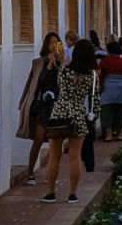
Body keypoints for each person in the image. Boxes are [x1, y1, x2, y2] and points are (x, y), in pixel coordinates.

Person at [43, 39, 100, 203]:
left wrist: (61, 62)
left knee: (54, 155)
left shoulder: (64, 70)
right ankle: (72, 193)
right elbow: (95, 100)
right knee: (75, 156)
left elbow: (60, 86)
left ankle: (50, 192)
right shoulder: (93, 75)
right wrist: (93, 118)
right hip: (78, 115)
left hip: (59, 113)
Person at [16, 32, 61, 185]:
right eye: (51, 43)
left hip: (56, 107)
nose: (54, 46)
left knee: (55, 143)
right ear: (46, 45)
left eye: (57, 43)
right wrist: (48, 66)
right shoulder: (38, 63)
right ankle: (30, 173)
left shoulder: (64, 63)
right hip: (42, 106)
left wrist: (59, 63)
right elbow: (35, 83)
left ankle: (51, 172)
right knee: (38, 140)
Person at [98, 41, 122, 141]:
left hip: (108, 86)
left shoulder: (104, 61)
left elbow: (99, 73)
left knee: (107, 109)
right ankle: (119, 134)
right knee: (121, 110)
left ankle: (109, 135)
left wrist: (100, 85)